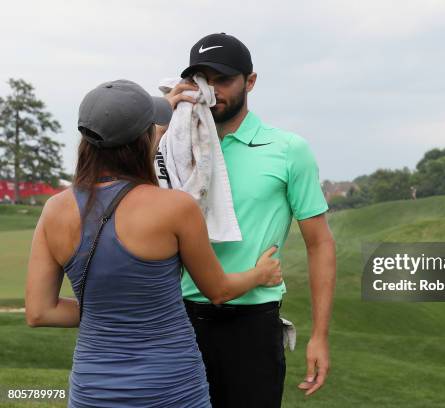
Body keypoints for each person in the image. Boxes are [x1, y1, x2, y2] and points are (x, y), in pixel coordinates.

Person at [25, 79, 282, 408]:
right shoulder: (175, 208)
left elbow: (39, 312)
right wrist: (260, 274)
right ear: (142, 140)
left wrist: (111, 313)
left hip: (93, 392)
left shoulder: (55, 210)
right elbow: (218, 290)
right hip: (172, 388)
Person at [169, 32, 337, 407]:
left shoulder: (288, 150)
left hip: (251, 325)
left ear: (250, 81)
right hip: (181, 320)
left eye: (223, 80)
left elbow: (320, 242)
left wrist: (319, 336)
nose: (211, 91)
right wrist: (165, 127)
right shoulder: (173, 145)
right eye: (202, 80)